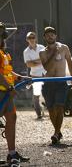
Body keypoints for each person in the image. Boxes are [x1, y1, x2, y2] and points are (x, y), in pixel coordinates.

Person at [39, 26, 72, 145]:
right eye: (48, 34)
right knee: (51, 110)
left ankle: (56, 133)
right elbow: (46, 67)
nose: (50, 36)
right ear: (44, 37)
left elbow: (70, 62)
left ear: (56, 36)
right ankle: (58, 131)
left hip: (61, 82)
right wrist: (54, 53)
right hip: (48, 83)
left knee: (59, 107)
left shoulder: (64, 48)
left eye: (52, 34)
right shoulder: (42, 52)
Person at [0, 23, 30, 166]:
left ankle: (12, 154)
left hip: (6, 92)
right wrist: (9, 87)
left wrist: (20, 78)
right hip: (3, 91)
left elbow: (6, 71)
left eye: (2, 32)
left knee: (12, 118)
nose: (3, 35)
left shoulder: (3, 52)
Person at [23, 31, 46, 119]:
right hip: (35, 76)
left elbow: (46, 59)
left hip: (45, 74)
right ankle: (39, 115)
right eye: (30, 38)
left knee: (48, 93)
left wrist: (34, 62)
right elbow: (29, 65)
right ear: (27, 40)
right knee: (36, 96)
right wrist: (40, 60)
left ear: (35, 38)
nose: (31, 39)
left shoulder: (42, 47)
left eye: (33, 37)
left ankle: (51, 111)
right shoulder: (26, 51)